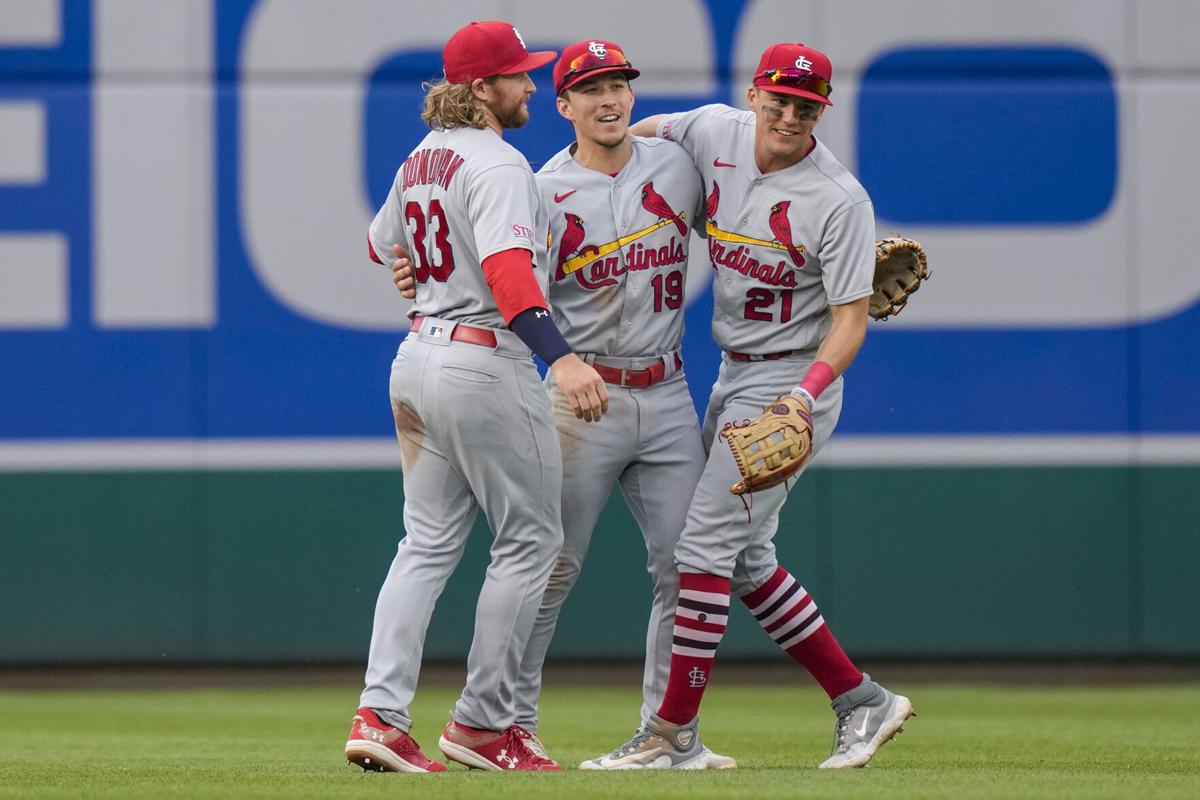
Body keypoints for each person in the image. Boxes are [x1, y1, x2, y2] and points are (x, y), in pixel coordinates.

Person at [389, 38, 734, 770]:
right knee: (549, 564)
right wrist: (412, 264)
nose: (609, 98)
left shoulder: (676, 167)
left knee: (688, 565)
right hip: (581, 393)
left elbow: (747, 232)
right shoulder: (538, 184)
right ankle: (511, 721)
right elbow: (487, 263)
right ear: (565, 104)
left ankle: (668, 734)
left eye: (620, 85)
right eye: (590, 87)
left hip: (667, 389)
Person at [581, 42, 915, 769]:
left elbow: (850, 322)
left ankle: (671, 733)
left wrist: (802, 399)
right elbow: (632, 135)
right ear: (756, 96)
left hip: (791, 386)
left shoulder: (838, 199)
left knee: (700, 550)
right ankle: (861, 699)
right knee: (744, 561)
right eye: (779, 100)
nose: (789, 115)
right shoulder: (713, 131)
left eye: (806, 106)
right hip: (733, 376)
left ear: (821, 110)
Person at [343, 20, 609, 774]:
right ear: (482, 88)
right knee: (532, 542)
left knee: (424, 545)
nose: (533, 84)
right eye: (520, 75)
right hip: (481, 360)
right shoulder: (498, 164)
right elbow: (510, 276)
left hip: (417, 358)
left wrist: (416, 270)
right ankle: (486, 723)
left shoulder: (421, 158)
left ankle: (381, 712)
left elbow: (379, 240)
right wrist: (562, 360)